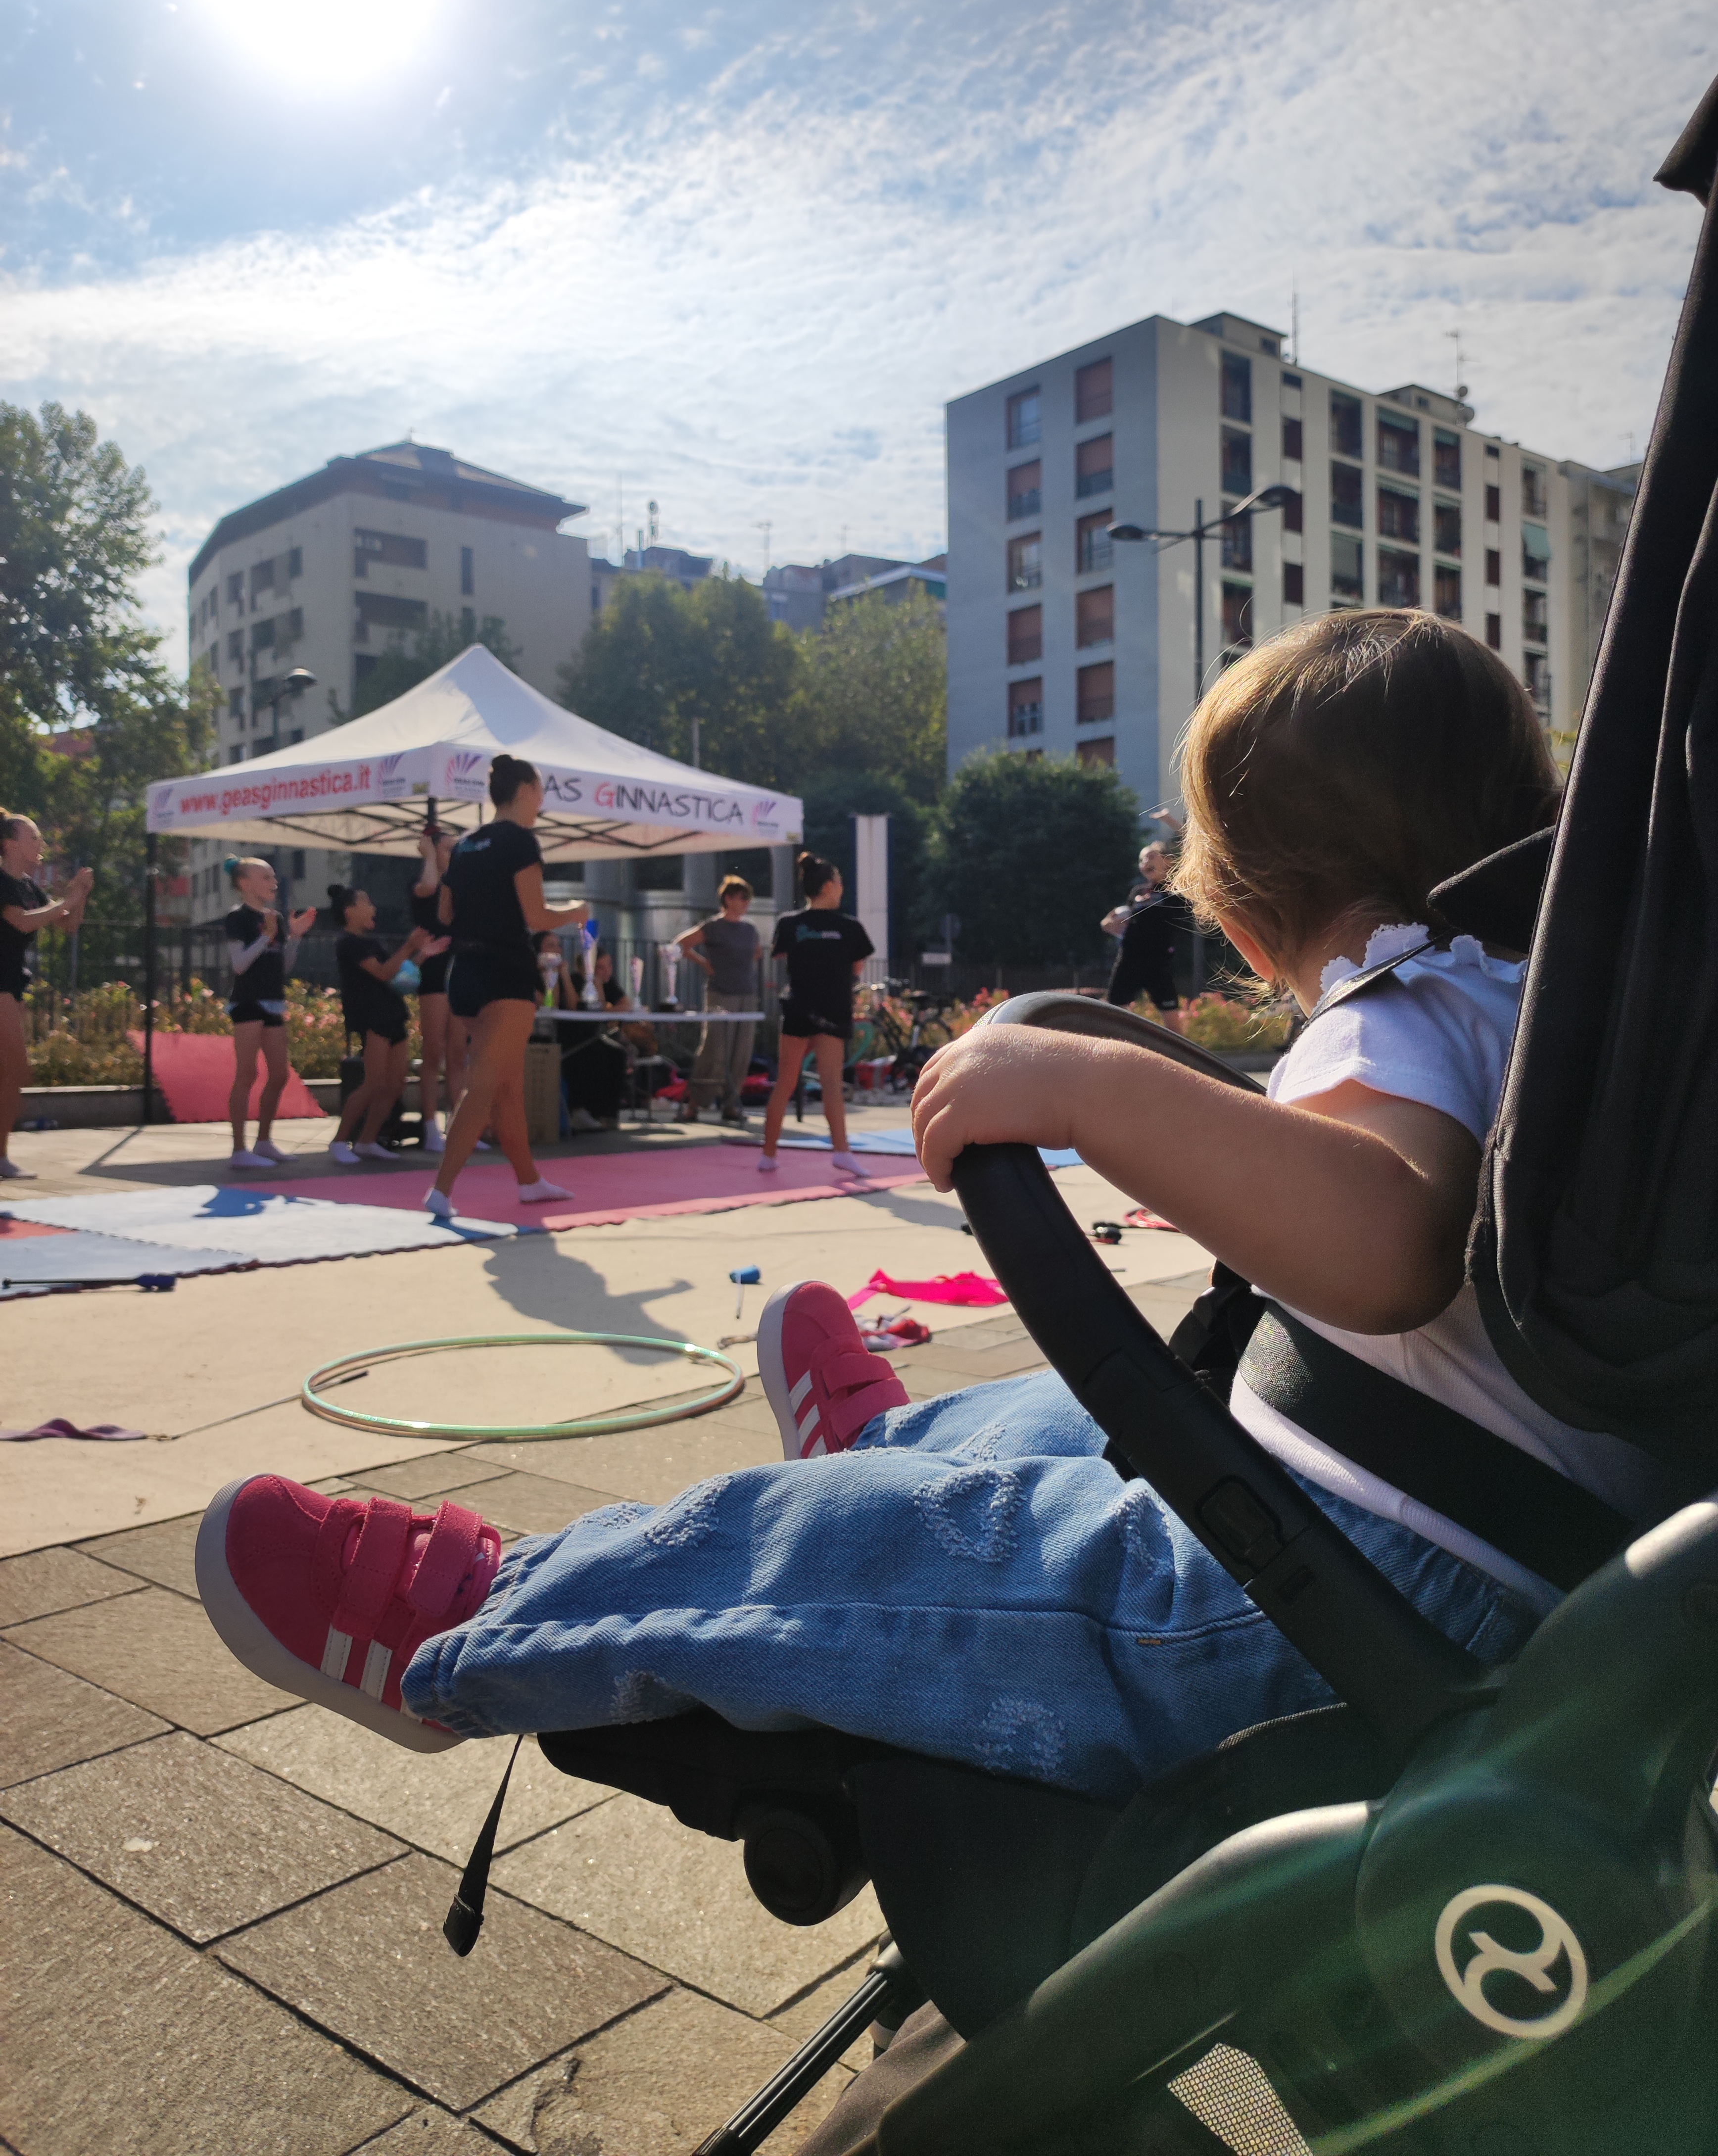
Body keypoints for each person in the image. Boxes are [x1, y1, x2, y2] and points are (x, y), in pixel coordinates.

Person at [208, 615, 1686, 1824]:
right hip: (1443, 1531)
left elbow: (1382, 1242)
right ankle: (882, 1447)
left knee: (887, 1558)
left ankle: (486, 1612)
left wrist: (1080, 1084)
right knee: (1070, 1415)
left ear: (1240, 913)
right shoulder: (1547, 1014)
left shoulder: (1406, 999)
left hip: (1341, 1602)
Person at [429, 754, 572, 1216]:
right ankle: (441, 1191)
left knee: (507, 1086)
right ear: (526, 790)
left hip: (464, 976)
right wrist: (578, 913)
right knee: (485, 1086)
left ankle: (529, 1180)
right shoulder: (520, 841)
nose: (542, 800)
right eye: (541, 790)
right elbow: (536, 918)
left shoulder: (467, 845)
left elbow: (444, 915)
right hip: (506, 976)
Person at [758, 854, 873, 1176]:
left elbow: (782, 957)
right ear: (827, 886)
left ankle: (771, 1154)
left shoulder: (795, 924)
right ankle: (839, 1150)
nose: (842, 886)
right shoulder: (842, 927)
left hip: (810, 1008)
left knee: (793, 1082)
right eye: (838, 881)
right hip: (823, 1008)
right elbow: (857, 968)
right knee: (825, 1083)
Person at [0, 813, 92, 1182]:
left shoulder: (29, 887)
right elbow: (22, 921)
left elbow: (68, 925)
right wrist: (65, 900)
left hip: (11, 985)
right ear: (10, 844)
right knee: (16, 1069)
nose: (41, 844)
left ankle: (2, 1156)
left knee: (9, 1074)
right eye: (34, 837)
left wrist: (79, 895)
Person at [223, 857, 317, 1169]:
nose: (273, 882)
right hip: (248, 1002)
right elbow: (239, 965)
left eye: (274, 877)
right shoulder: (239, 918)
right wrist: (266, 936)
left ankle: (264, 1142)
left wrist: (295, 937)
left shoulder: (275, 916)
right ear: (245, 884)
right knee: (246, 1074)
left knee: (279, 1074)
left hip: (273, 1000)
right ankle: (239, 1150)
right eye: (265, 877)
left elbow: (284, 965)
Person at [326, 885, 428, 1166]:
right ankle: (339, 1141)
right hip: (372, 1018)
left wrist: (422, 954)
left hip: (393, 1014)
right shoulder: (349, 942)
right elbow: (383, 973)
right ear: (350, 911)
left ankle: (367, 1141)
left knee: (395, 1085)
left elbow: (397, 975)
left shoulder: (371, 942)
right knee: (373, 1084)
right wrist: (409, 946)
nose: (373, 907)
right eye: (367, 902)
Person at [674, 876, 764, 1123]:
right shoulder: (714, 926)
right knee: (715, 1050)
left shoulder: (750, 929)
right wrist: (704, 963)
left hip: (746, 994)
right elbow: (681, 944)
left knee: (742, 1052)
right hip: (720, 994)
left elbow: (757, 953)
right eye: (742, 897)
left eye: (748, 898)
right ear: (729, 899)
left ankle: (731, 1104)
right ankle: (694, 1104)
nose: (747, 903)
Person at [408, 826, 460, 1154]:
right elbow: (428, 884)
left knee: (458, 1054)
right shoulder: (423, 887)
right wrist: (429, 853)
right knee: (434, 1053)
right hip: (433, 974)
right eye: (448, 849)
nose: (453, 856)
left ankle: (459, 1125)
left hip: (460, 972)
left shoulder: (461, 887)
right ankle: (430, 1128)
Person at [1102, 841, 1189, 1026]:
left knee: (1171, 1017)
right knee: (1114, 1015)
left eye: (1150, 856)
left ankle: (1179, 1055)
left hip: (1158, 962)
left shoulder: (1176, 891)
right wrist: (1110, 925)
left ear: (1168, 862)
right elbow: (1123, 925)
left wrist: (1170, 822)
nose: (1144, 862)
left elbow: (1187, 859)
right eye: (1142, 860)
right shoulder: (1137, 892)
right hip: (1129, 959)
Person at [552, 942, 628, 1131]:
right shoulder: (577, 981)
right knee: (592, 1056)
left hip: (593, 1037)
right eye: (600, 967)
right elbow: (578, 1006)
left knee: (617, 1053)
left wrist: (607, 1009)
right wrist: (597, 987)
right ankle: (581, 1110)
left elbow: (625, 1005)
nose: (606, 971)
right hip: (572, 1037)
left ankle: (608, 1114)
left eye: (609, 965)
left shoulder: (609, 982)